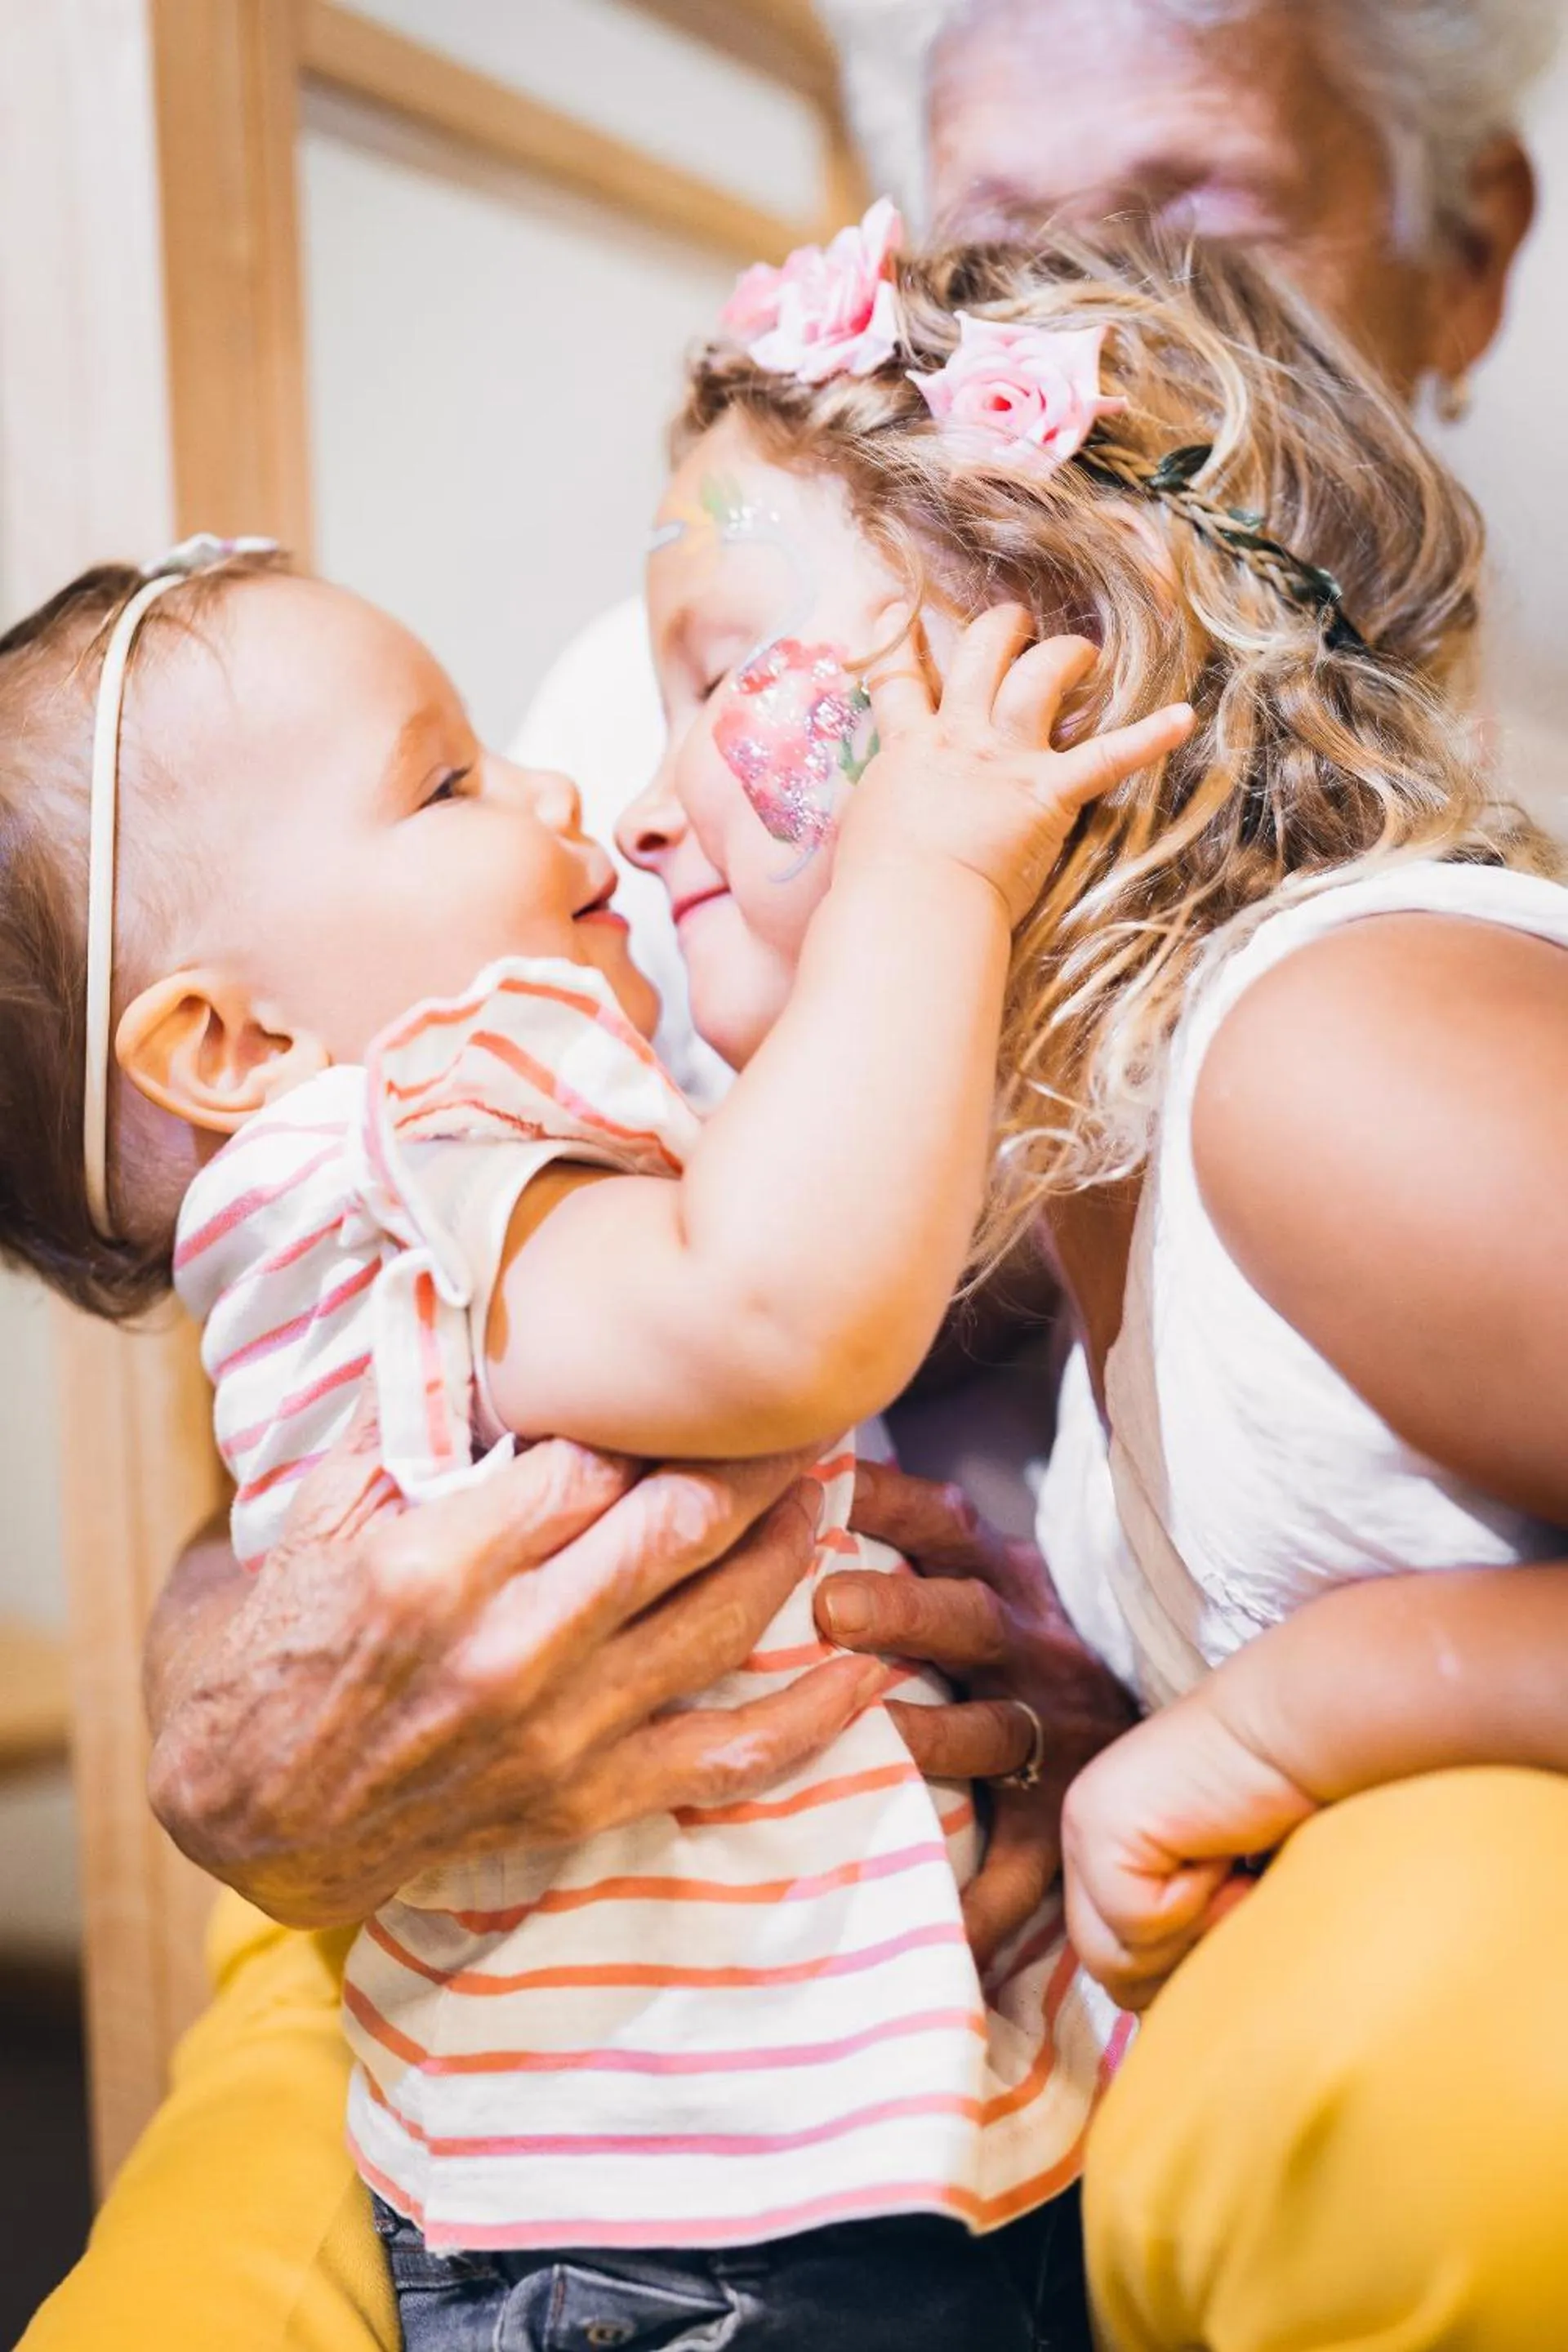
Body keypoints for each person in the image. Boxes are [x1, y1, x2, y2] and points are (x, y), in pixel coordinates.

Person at [20, 0, 1564, 2341]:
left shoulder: (1326, 1045)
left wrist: (1298, 1712)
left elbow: (778, 1305)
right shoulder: (649, 761)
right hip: (631, 1948)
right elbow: (329, 1363)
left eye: (1187, 212)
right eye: (995, 224)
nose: (612, 816)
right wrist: (235, 1679)